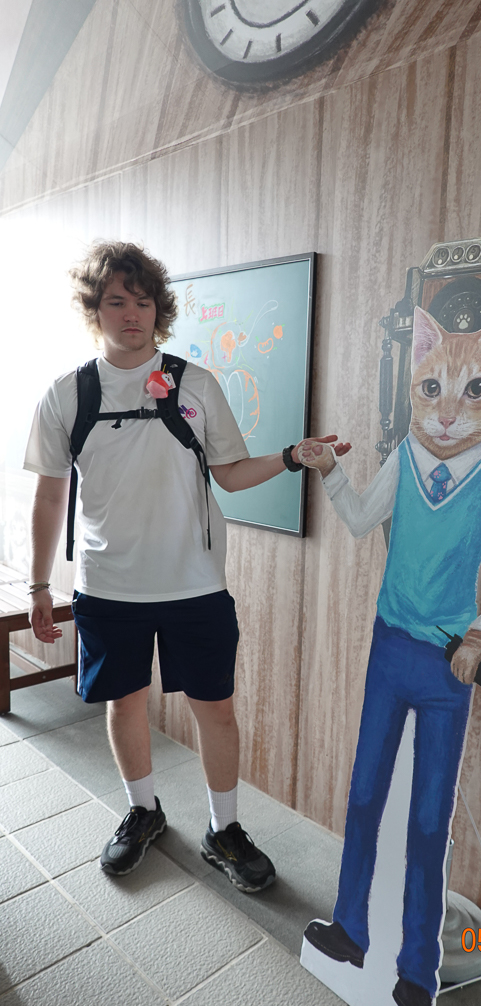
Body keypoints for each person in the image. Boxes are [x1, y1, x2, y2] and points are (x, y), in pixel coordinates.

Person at [25, 240, 348, 888]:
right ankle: (142, 812)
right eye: (116, 301)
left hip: (196, 586)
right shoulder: (67, 394)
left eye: (143, 301)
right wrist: (38, 585)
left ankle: (224, 829)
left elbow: (230, 472)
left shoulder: (195, 384)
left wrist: (292, 457)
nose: (131, 313)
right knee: (124, 705)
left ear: (159, 310)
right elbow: (50, 494)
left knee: (216, 709)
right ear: (94, 309)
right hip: (109, 587)